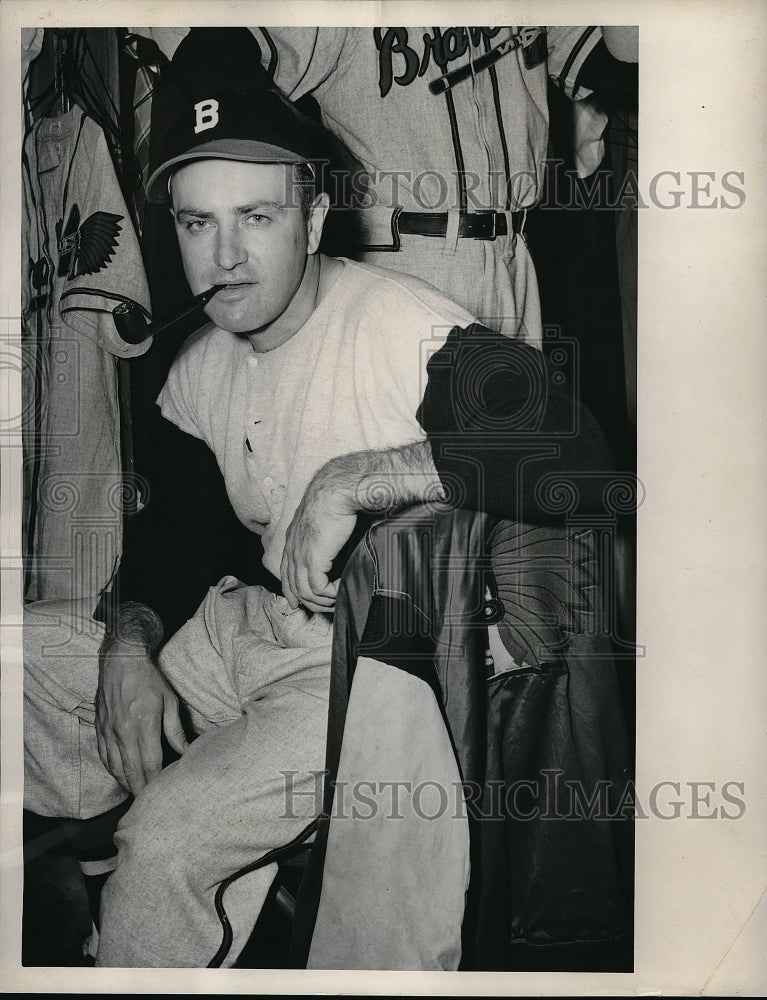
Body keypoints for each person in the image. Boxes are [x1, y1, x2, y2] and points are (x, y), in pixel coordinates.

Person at [23, 34, 614, 968]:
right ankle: (98, 819)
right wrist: (129, 643)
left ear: (314, 213)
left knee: (165, 848)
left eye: (255, 217)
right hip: (243, 630)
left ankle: (144, 886)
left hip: (360, 668)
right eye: (195, 223)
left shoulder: (397, 325)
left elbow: (580, 455)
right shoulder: (198, 364)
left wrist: (358, 478)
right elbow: (178, 541)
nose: (222, 257)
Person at [128, 26, 637, 346]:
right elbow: (216, 52)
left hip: (517, 255)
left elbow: (611, 63)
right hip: (405, 256)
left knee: (504, 480)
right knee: (406, 488)